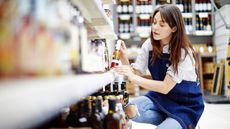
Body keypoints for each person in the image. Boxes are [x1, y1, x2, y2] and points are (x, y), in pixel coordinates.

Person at [114, 4, 204, 129]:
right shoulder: (149, 44)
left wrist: (134, 78)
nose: (155, 28)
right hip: (161, 97)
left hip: (186, 104)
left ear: (174, 28)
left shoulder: (183, 52)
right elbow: (135, 74)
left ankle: (180, 122)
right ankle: (171, 122)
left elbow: (165, 87)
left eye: (162, 24)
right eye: (154, 22)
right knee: (128, 110)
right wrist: (124, 57)